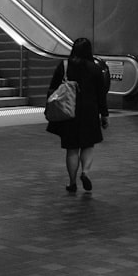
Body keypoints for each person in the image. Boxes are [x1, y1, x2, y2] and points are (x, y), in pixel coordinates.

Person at [46, 37, 109, 193]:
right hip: (89, 112)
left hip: (69, 112)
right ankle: (85, 172)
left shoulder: (65, 66)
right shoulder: (95, 69)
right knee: (88, 145)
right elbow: (101, 94)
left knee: (72, 149)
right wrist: (104, 115)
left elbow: (52, 88)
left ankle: (72, 182)